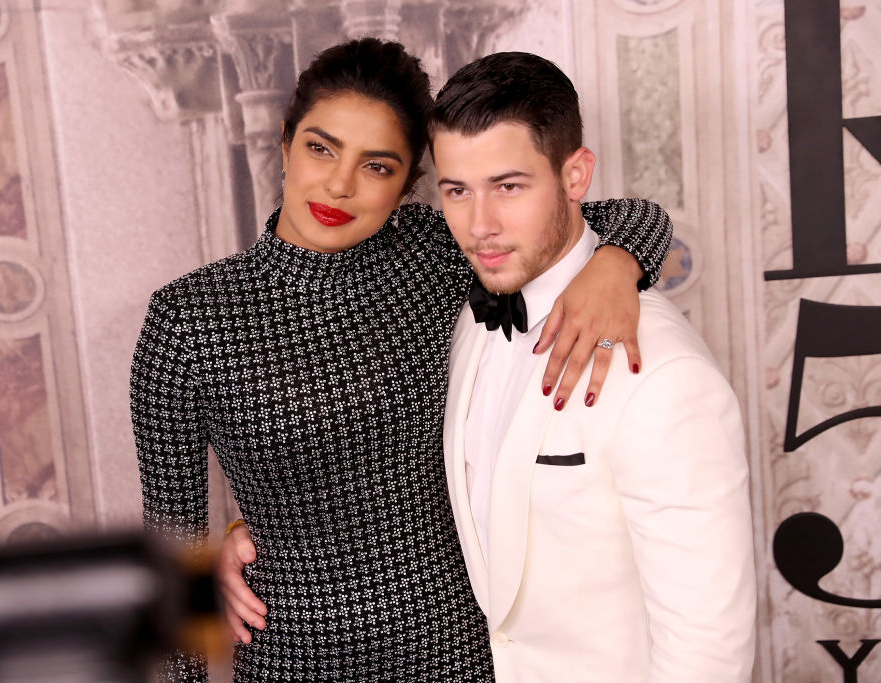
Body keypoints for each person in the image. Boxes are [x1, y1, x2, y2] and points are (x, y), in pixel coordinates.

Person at [131, 38, 671, 681]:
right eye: (321, 148)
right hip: (292, 664)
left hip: (462, 656)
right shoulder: (188, 318)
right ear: (285, 141)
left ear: (411, 181)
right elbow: (173, 557)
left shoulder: (436, 252)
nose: (339, 184)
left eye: (377, 166)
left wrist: (614, 265)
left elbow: (636, 217)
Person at [429, 52, 756, 681]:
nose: (479, 225)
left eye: (509, 186)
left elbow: (708, 646)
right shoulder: (469, 317)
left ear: (576, 176)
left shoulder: (663, 375)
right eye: (457, 191)